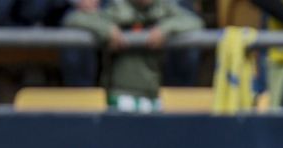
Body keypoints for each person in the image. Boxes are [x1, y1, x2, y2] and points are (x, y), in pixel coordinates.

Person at [63, 0, 203, 110]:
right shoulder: (115, 9)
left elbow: (195, 22)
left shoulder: (163, 9)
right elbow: (73, 18)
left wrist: (165, 29)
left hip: (152, 96)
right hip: (119, 95)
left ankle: (180, 95)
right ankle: (79, 98)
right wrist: (106, 29)